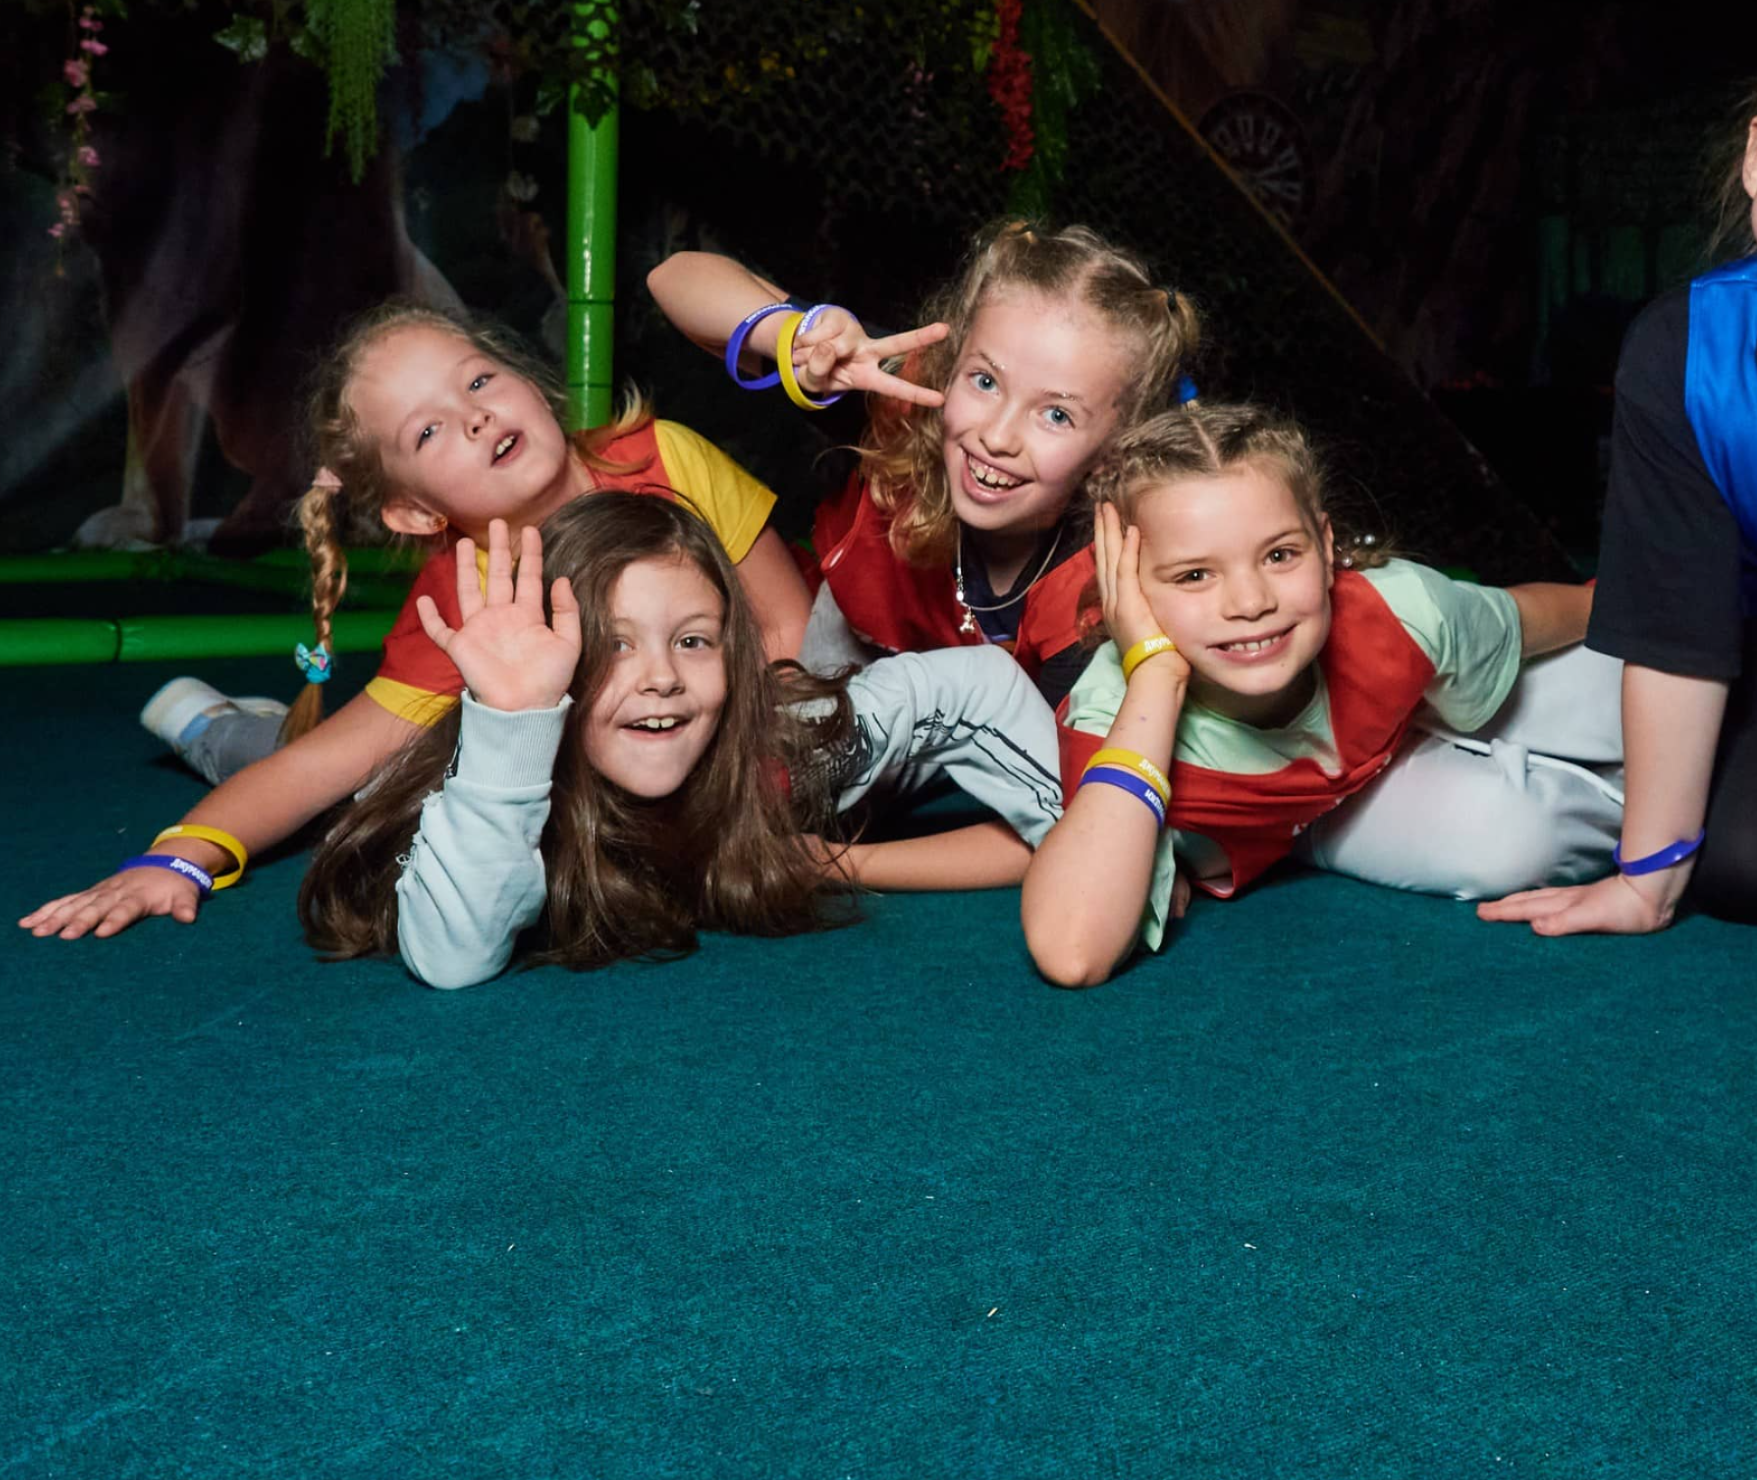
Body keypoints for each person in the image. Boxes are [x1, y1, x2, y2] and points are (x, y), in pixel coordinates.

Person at [21, 302, 813, 942]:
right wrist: (179, 859)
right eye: (427, 431)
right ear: (413, 511)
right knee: (366, 792)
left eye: (479, 382)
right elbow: (318, 770)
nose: (474, 417)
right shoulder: (465, 608)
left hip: (703, 725)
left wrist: (763, 783)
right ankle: (216, 731)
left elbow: (785, 629)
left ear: (533, 385)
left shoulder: (666, 459)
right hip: (520, 765)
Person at [301, 495, 1065, 987]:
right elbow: (452, 960)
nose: (662, 677)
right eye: (615, 644)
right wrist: (511, 723)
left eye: (693, 641)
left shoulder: (783, 751)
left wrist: (842, 863)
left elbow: (974, 687)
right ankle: (223, 717)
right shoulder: (485, 784)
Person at [1023, 403, 1622, 987]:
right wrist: (1155, 676)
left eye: (1280, 555)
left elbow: (1542, 614)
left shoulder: (1397, 606)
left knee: (1621, 676)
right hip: (1319, 824)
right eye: (1195, 575)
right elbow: (1073, 952)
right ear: (1125, 588)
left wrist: (1641, 612)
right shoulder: (1113, 715)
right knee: (1513, 841)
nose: (1251, 602)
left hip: (1407, 720)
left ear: (1325, 545)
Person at [648, 219, 1200, 706]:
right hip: (849, 661)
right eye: (985, 381)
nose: (997, 436)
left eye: (1056, 415)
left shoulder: (1100, 589)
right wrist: (794, 338)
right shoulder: (907, 402)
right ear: (948, 367)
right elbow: (673, 276)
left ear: (1110, 455)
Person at [1479, 102, 1757, 935]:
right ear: (1754, 159)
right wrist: (1647, 879)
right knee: (1738, 865)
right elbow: (1679, 624)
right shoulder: (1686, 350)